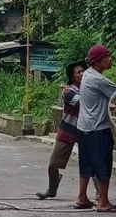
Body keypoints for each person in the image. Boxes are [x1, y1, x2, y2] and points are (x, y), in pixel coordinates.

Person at [75, 45, 116, 212]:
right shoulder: (99, 79)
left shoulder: (87, 75)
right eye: (106, 57)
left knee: (86, 164)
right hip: (98, 128)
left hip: (83, 126)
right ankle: (103, 202)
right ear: (97, 61)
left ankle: (82, 197)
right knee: (103, 164)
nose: (110, 59)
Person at [36, 60, 84, 200]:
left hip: (85, 129)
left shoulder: (90, 88)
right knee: (54, 162)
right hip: (68, 128)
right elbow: (84, 103)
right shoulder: (69, 91)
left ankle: (100, 194)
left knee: (90, 163)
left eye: (83, 71)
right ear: (72, 77)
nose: (82, 74)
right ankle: (52, 188)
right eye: (78, 72)